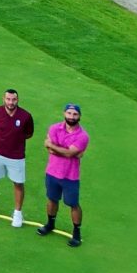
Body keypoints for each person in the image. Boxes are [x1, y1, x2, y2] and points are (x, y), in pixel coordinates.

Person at [39, 104, 88, 247]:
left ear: (79, 116)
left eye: (75, 114)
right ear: (64, 113)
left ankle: (77, 233)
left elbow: (65, 152)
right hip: (52, 172)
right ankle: (50, 224)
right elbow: (52, 150)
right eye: (69, 113)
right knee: (52, 199)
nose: (71, 117)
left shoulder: (83, 136)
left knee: (73, 204)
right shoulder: (54, 128)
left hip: (70, 176)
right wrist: (69, 152)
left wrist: (56, 147)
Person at [0, 89, 33, 226]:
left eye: (14, 99)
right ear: (3, 99)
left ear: (18, 100)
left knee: (18, 184)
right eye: (8, 99)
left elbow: (28, 134)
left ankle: (17, 213)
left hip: (16, 157)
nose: (11, 102)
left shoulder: (26, 116)